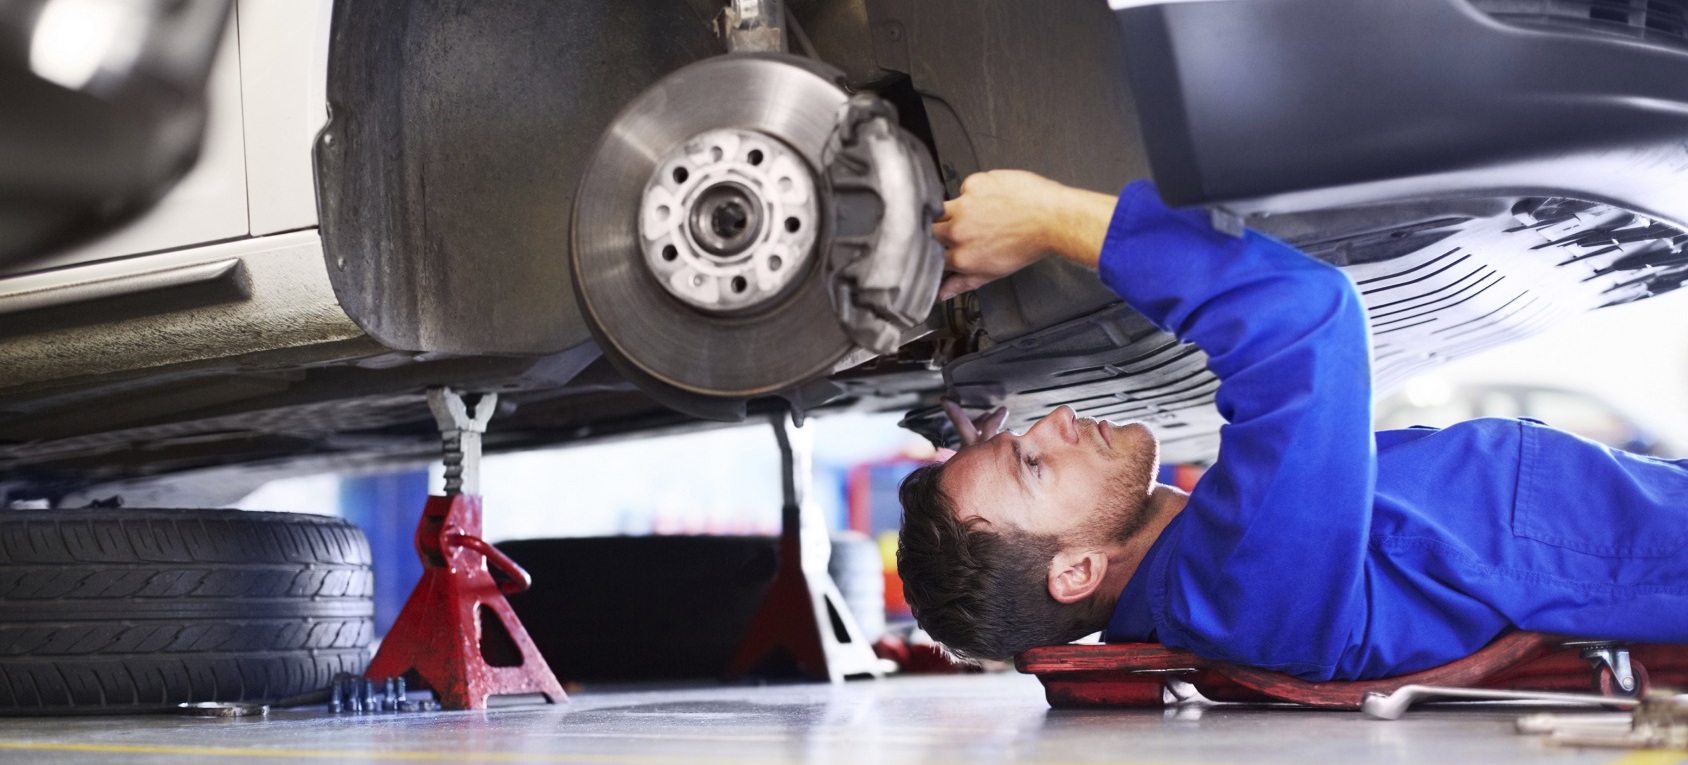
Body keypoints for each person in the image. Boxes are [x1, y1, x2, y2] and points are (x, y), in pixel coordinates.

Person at [897, 170, 1688, 681]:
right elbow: (1304, 319)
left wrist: (993, 460)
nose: (1058, 418)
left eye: (1023, 435)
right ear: (1074, 574)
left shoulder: (1215, 567)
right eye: (1035, 463)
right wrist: (1048, 215)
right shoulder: (1237, 588)